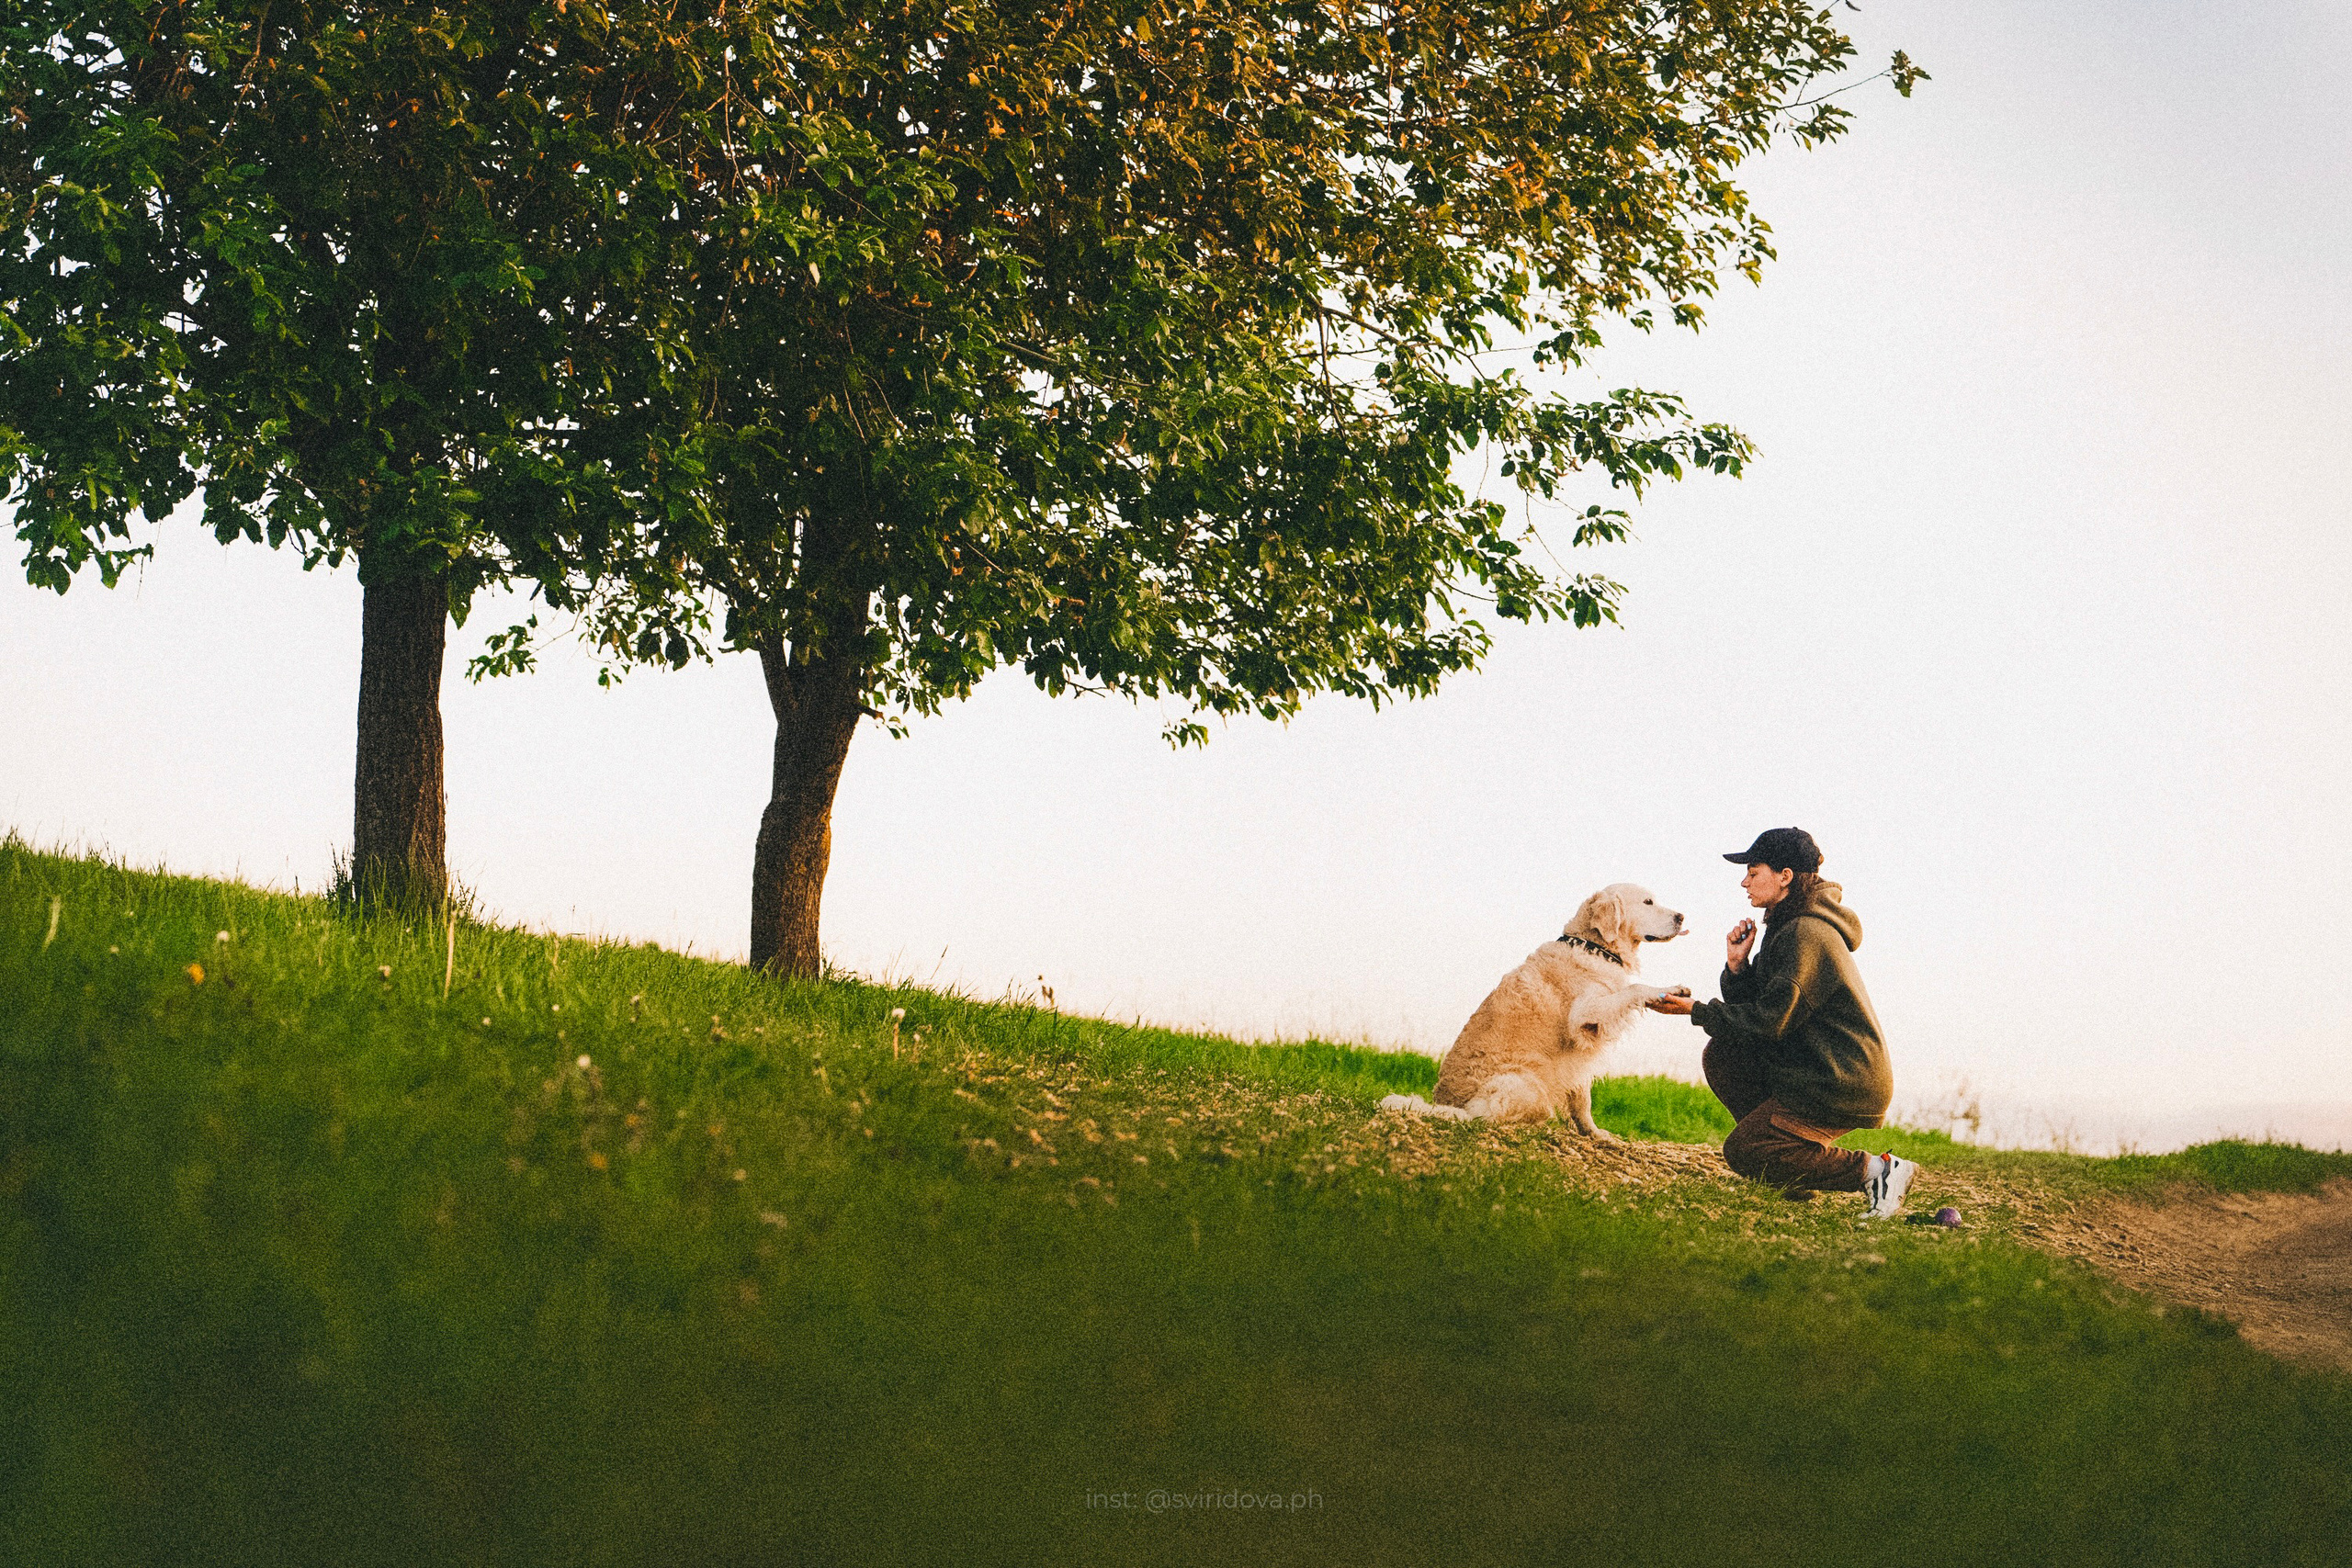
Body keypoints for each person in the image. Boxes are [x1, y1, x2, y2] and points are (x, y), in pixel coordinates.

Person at [1646, 828, 1918, 1218]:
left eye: (1754, 872)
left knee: (1744, 1150)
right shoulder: (1787, 926)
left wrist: (1696, 1010)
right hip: (1815, 1068)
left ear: (1785, 876)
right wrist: (1738, 968)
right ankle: (1790, 1173)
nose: (1744, 881)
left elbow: (1769, 1023)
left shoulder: (1805, 932)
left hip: (1839, 1076)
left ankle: (1877, 1171)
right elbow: (1761, 1017)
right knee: (1726, 1054)